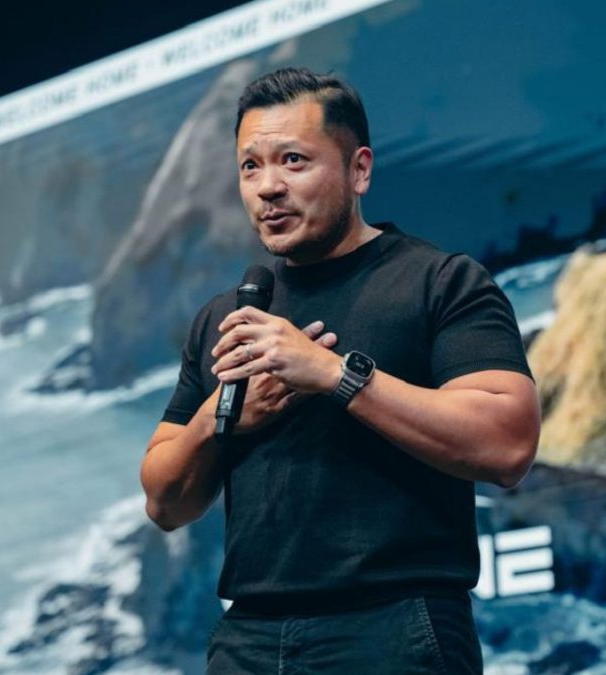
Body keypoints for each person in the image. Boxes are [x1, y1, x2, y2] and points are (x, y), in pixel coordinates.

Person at [140, 67, 540, 674]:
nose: (268, 187)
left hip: (395, 627)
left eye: (293, 160)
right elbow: (164, 502)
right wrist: (220, 418)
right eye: (251, 166)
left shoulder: (439, 282)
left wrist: (333, 374)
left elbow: (508, 441)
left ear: (360, 170)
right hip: (247, 638)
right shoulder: (227, 316)